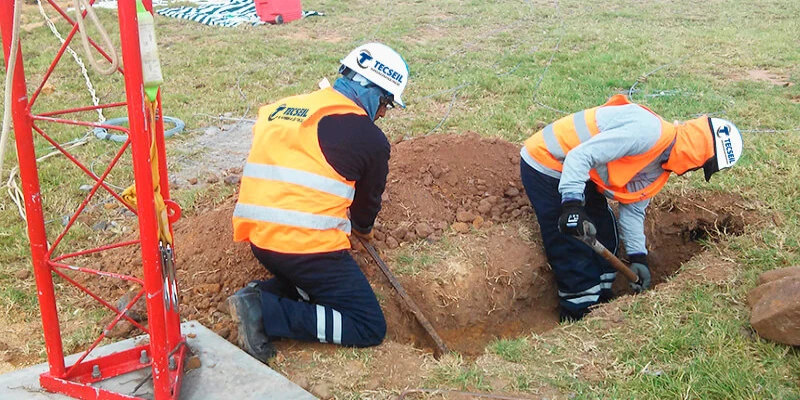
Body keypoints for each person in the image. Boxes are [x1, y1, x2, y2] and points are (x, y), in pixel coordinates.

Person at [226, 42, 409, 363]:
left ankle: (259, 294)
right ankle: (264, 312)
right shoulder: (369, 138)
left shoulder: (280, 109)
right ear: (372, 92)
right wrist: (363, 230)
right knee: (368, 325)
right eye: (385, 104)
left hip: (259, 240)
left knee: (318, 287)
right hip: (306, 249)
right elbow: (365, 209)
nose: (381, 114)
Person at [519, 94, 743, 322]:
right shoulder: (647, 133)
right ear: (696, 155)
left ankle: (602, 303)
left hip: (583, 173)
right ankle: (579, 314)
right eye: (700, 167)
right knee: (571, 247)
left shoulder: (659, 166)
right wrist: (571, 204)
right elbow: (580, 156)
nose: (693, 171)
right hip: (547, 162)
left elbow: (633, 208)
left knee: (607, 235)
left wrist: (638, 256)